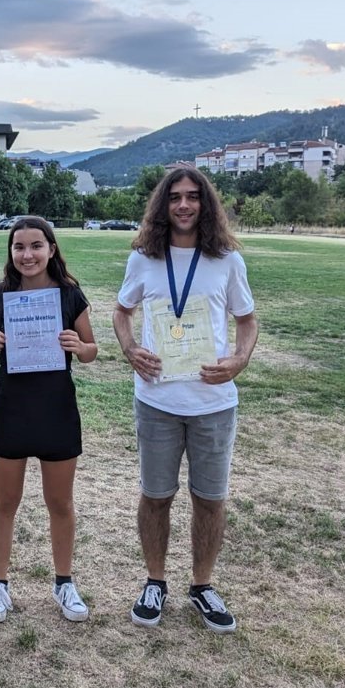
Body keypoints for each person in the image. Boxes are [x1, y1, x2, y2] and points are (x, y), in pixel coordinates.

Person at [112, 164, 258, 634]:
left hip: (213, 402)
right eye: (175, 196)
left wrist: (238, 360)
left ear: (205, 203)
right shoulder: (144, 258)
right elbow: (121, 311)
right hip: (157, 399)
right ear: (163, 204)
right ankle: (155, 581)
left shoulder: (227, 260)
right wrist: (130, 348)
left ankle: (202, 585)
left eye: (193, 196)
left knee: (209, 500)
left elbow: (247, 320)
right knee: (156, 497)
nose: (183, 204)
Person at [0, 216, 97, 624]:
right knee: (5, 501)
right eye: (19, 247)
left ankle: (64, 582)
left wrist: (79, 346)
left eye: (36, 246)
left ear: (51, 249)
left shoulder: (69, 294)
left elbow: (92, 349)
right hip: (12, 407)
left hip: (56, 408)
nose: (28, 255)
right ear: (10, 252)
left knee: (60, 502)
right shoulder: (0, 294)